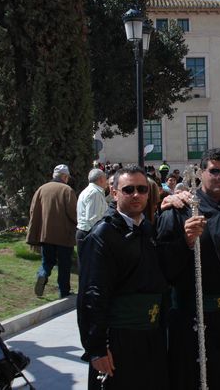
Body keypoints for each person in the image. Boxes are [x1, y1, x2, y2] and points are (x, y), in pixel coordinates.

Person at [156, 148, 220, 390]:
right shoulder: (182, 209)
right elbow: (164, 265)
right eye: (215, 171)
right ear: (201, 172)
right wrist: (186, 243)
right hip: (193, 317)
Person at [77, 166, 169, 389]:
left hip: (150, 338)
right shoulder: (102, 235)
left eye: (142, 189)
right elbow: (92, 295)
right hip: (117, 341)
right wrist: (97, 348)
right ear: (114, 192)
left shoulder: (148, 230)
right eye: (128, 189)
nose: (136, 195)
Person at [27, 164, 77, 298]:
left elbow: (33, 210)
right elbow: (73, 213)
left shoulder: (41, 189)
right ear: (64, 176)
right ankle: (64, 291)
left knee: (47, 261)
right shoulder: (67, 190)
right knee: (64, 264)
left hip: (46, 235)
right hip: (64, 236)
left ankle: (42, 275)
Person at [76, 169, 109, 264]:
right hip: (90, 234)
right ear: (101, 179)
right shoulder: (94, 193)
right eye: (105, 178)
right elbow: (93, 219)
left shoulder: (90, 191)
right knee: (90, 268)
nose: (106, 181)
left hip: (86, 233)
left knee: (86, 267)